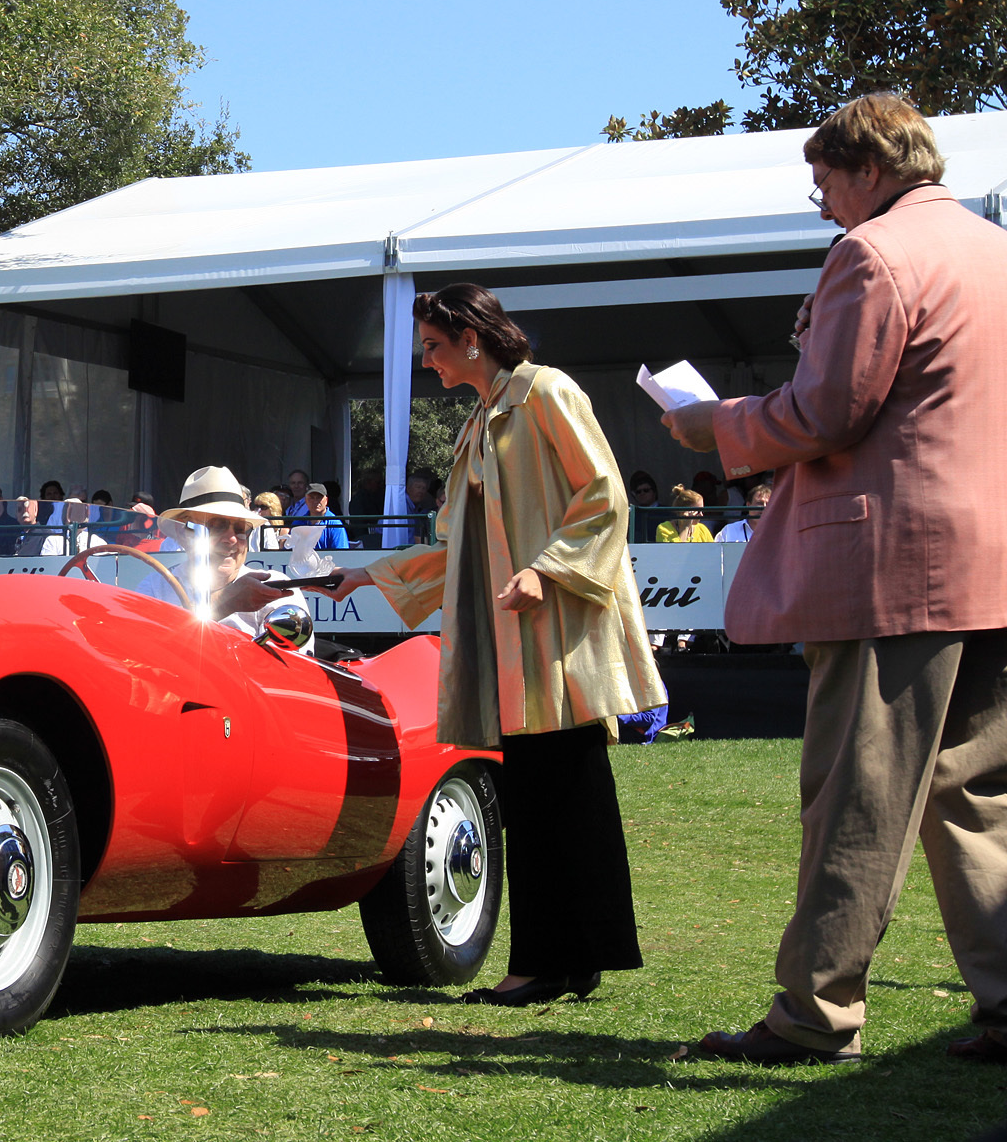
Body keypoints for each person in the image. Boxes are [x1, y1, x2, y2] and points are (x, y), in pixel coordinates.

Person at [663, 93, 1007, 1067]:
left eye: (822, 182)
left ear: (866, 168)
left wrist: (714, 426)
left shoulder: (872, 256)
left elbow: (825, 412)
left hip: (891, 570)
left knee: (853, 800)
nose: (819, 205)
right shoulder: (994, 251)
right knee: (978, 795)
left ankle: (815, 1015)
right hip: (991, 566)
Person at [327, 282, 664, 1007]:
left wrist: (547, 572)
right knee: (551, 794)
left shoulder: (544, 393)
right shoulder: (482, 420)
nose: (428, 361)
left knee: (563, 793)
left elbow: (605, 495)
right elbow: (455, 547)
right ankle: (568, 960)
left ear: (470, 337)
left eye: (433, 346)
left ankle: (551, 962)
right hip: (514, 645)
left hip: (555, 636)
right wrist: (362, 575)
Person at [135, 466, 304, 640]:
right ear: (183, 532)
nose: (231, 539)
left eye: (241, 529)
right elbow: (145, 653)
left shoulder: (273, 588)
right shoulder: (156, 587)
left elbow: (288, 665)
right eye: (216, 526)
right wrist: (224, 603)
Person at [626, 471, 660, 543]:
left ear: (654, 492)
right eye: (638, 492)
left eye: (646, 490)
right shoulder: (631, 515)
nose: (642, 494)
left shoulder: (667, 512)